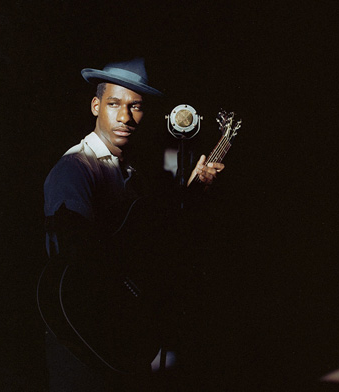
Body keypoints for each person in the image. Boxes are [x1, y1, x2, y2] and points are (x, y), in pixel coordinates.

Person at [39, 57, 224, 391]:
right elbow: (78, 255)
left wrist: (191, 191)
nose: (125, 117)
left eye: (135, 106)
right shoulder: (76, 167)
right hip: (83, 332)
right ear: (96, 106)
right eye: (114, 104)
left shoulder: (128, 173)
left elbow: (143, 239)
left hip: (118, 328)